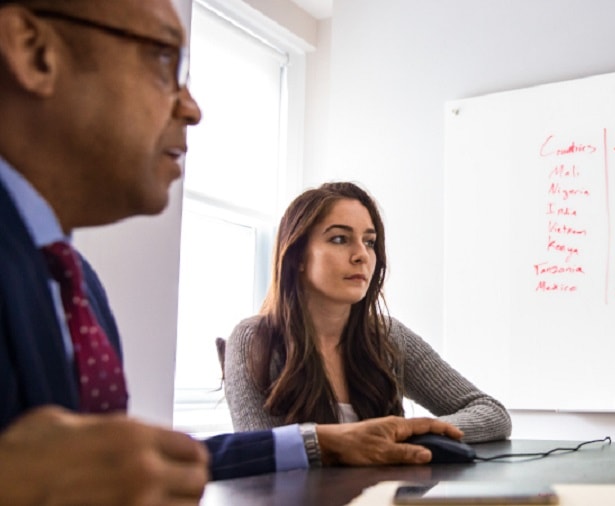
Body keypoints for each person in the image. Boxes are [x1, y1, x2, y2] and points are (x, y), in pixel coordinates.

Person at [0, 1, 462, 504]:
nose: (193, 108)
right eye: (163, 61)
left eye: (369, 241)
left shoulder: (76, 282)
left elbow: (106, 463)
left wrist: (327, 442)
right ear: (33, 51)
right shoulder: (254, 339)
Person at [224, 182, 512, 443]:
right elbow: (265, 456)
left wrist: (409, 432)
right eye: (339, 239)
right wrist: (372, 441)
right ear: (297, 256)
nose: (361, 255)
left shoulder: (387, 336)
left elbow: (492, 413)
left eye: (370, 242)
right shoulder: (254, 340)